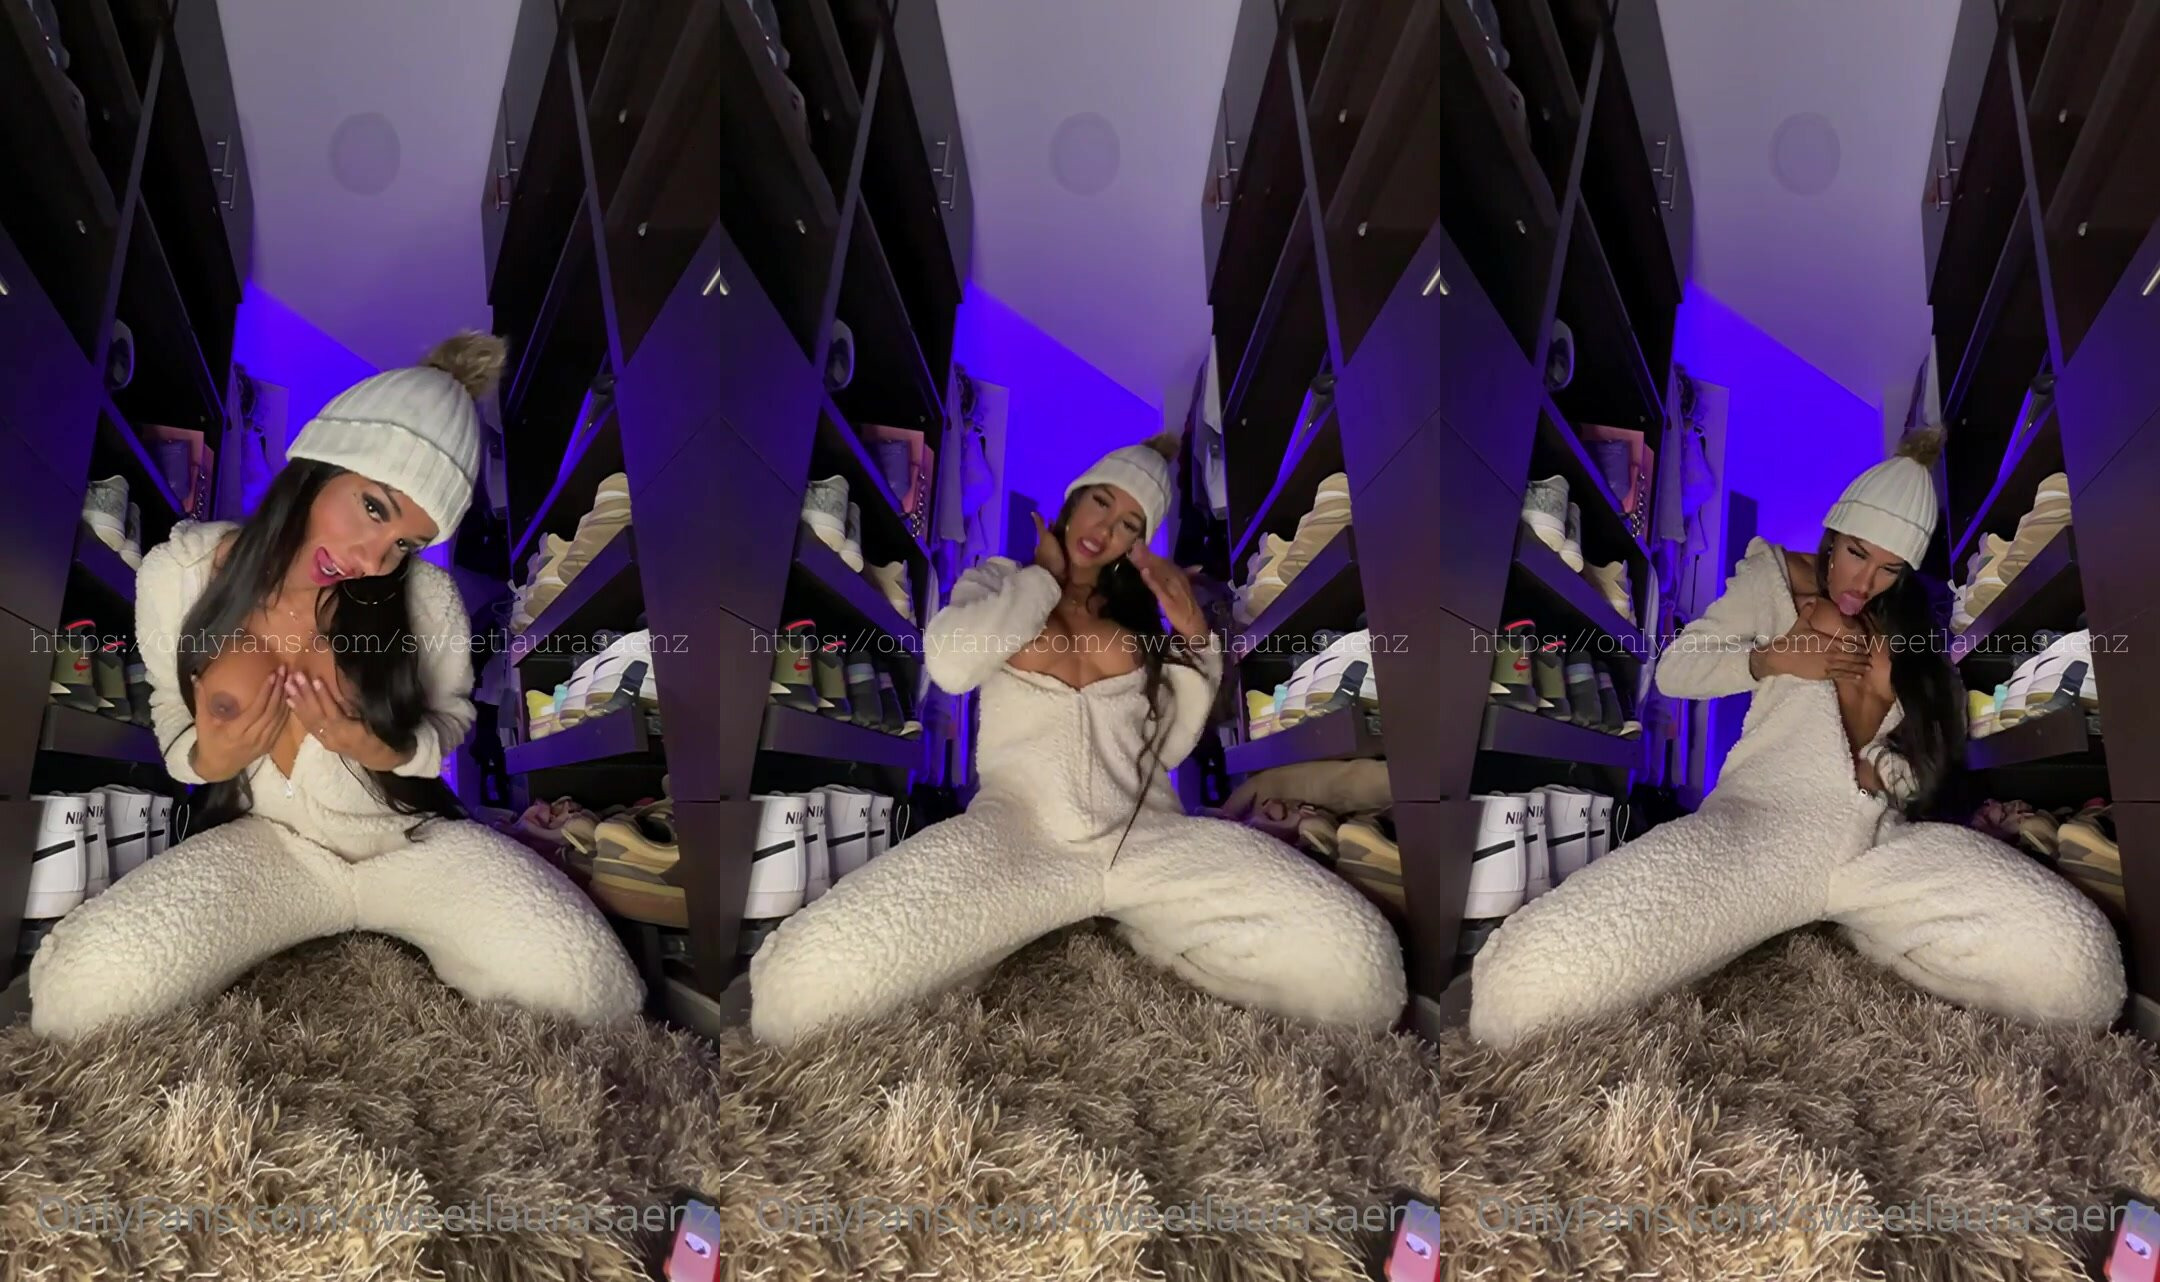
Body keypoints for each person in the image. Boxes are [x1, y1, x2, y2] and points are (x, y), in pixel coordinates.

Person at [29, 334, 644, 1040]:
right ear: (322, 462)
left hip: (409, 842)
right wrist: (207, 758)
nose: (372, 559)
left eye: (405, 543)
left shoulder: (426, 597)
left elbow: (452, 717)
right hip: (272, 847)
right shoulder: (179, 573)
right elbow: (170, 709)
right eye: (375, 508)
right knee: (83, 993)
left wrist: (386, 748)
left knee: (590, 988)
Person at [1469, 431, 2124, 1048]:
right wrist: (1772, 657)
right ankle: (1807, 917)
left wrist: (1889, 762)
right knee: (1526, 990)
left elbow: (1919, 762)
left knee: (2080, 975)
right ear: (1833, 533)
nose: (1863, 583)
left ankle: (1861, 924)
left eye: (1889, 568)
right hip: (1762, 825)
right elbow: (1676, 670)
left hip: (1878, 842)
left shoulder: (1908, 627)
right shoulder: (1775, 582)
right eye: (1857, 552)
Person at [750, 435, 1406, 1045]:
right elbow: (950, 664)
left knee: (1362, 974)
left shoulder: (1138, 623)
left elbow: (1170, 747)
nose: (1107, 527)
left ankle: (1144, 927)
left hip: (1147, 836)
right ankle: (1031, 921)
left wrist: (1192, 636)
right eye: (1101, 501)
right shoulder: (999, 581)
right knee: (802, 992)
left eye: (1131, 525)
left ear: (1138, 544)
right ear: (1073, 499)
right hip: (1019, 833)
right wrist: (1040, 577)